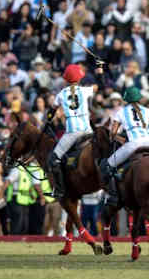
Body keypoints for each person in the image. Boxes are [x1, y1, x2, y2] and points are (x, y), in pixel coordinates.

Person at [98, 86, 149, 207]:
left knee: (107, 165)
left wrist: (120, 139)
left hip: (134, 144)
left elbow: (112, 133)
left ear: (126, 99)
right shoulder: (147, 110)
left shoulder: (121, 112)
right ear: (139, 99)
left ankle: (113, 195)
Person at [47, 63, 97, 199]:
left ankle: (59, 190)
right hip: (88, 131)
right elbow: (97, 86)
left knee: (53, 159)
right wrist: (99, 67)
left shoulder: (61, 94)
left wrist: (49, 118)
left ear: (66, 79)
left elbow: (51, 111)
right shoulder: (85, 91)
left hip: (72, 133)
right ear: (79, 78)